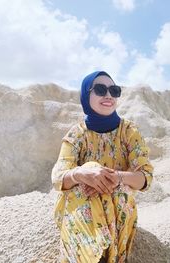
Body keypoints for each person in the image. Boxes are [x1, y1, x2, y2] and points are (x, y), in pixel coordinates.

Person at [51, 71, 154, 263]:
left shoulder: (129, 131)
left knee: (119, 190)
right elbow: (58, 177)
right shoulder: (77, 134)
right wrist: (82, 174)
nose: (108, 95)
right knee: (86, 176)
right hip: (82, 201)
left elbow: (145, 178)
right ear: (85, 95)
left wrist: (114, 177)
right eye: (100, 89)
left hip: (118, 206)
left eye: (114, 91)